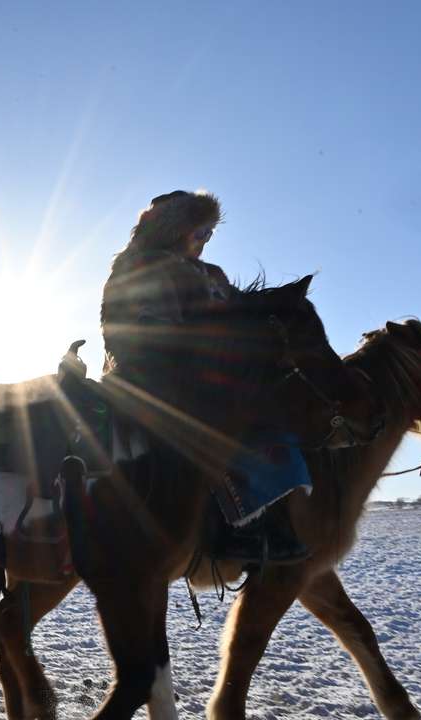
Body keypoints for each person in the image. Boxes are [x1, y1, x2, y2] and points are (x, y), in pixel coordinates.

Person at [100, 191, 308, 564]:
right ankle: (230, 530)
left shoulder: (211, 274)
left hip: (215, 374)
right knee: (215, 423)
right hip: (147, 380)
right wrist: (188, 358)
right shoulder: (137, 269)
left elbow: (237, 318)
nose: (204, 243)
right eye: (200, 234)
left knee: (276, 409)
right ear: (174, 230)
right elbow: (127, 330)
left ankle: (276, 519)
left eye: (209, 235)